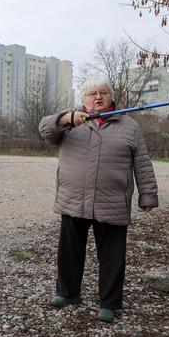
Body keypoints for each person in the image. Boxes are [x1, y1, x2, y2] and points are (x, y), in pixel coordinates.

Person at [38, 74, 159, 323]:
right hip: (74, 199)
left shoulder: (128, 126)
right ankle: (68, 293)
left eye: (103, 93)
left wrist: (148, 194)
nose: (98, 97)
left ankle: (110, 303)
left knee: (112, 255)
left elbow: (142, 163)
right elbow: (46, 132)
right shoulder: (70, 124)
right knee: (69, 251)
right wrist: (66, 117)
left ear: (111, 97)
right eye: (92, 94)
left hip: (112, 201)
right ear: (83, 100)